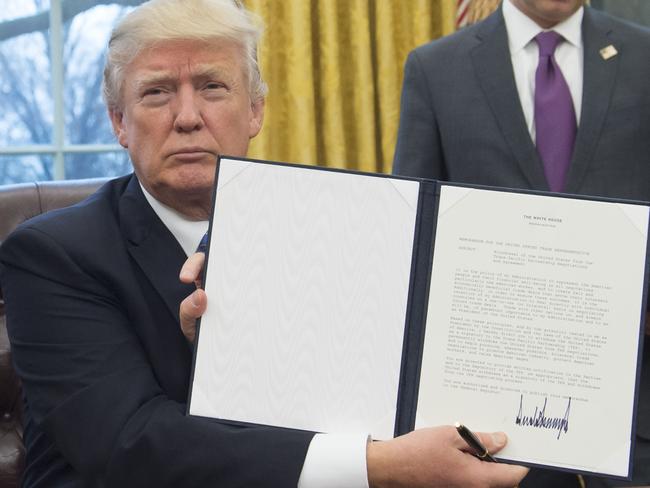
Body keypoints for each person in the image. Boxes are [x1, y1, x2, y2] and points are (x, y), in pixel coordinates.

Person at [0, 0, 529, 486]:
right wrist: (380, 465)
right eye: (157, 92)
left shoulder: (338, 233)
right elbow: (131, 444)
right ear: (119, 121)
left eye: (212, 86)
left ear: (254, 111)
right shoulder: (51, 254)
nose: (187, 117)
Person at [392, 0, 650, 487]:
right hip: (488, 433)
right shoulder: (435, 68)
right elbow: (412, 237)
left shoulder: (644, 57)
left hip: (633, 415)